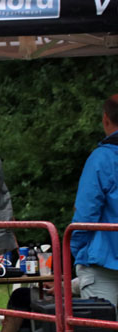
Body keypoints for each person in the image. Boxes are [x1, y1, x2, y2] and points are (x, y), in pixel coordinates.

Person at [71, 94, 118, 309]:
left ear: (105, 119)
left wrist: (78, 251)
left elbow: (86, 214)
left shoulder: (101, 159)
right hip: (104, 260)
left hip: (103, 263)